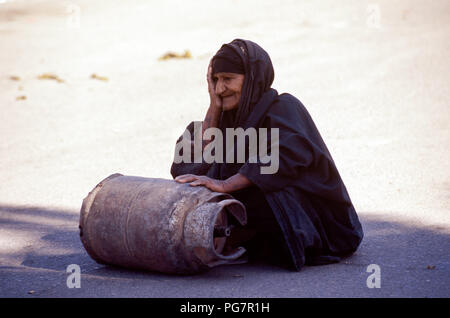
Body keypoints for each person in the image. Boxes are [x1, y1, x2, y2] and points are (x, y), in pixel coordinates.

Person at [170, 39, 363, 271]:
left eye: (228, 79)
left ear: (251, 78)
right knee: (195, 150)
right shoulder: (226, 116)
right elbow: (195, 161)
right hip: (262, 214)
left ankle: (242, 236)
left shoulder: (284, 107)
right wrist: (214, 107)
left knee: (259, 189)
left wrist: (226, 184)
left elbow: (282, 158)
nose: (220, 89)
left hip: (317, 222)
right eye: (215, 81)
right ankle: (238, 236)